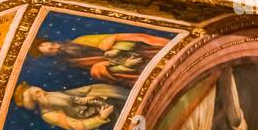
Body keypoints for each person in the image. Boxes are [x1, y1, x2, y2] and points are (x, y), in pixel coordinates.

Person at [31, 32, 169, 85]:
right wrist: (125, 66)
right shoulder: (72, 63)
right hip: (136, 68)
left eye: (53, 45)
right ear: (50, 55)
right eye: (51, 50)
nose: (56, 48)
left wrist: (117, 49)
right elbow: (107, 72)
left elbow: (120, 38)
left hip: (144, 52)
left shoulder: (82, 39)